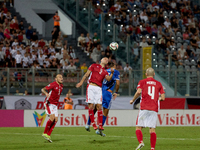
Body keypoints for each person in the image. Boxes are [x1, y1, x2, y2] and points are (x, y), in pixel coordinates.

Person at [130, 68, 165, 150]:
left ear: (146, 74)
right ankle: (152, 148)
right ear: (154, 74)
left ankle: (141, 142)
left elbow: (138, 92)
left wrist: (132, 100)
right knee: (152, 129)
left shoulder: (142, 82)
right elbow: (163, 98)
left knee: (138, 127)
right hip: (154, 108)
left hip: (144, 107)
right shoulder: (159, 84)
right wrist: (157, 99)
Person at [76, 57, 114, 133]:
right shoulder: (93, 65)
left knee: (99, 106)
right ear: (101, 60)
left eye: (107, 59)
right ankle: (93, 124)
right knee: (91, 106)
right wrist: (81, 82)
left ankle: (100, 125)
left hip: (99, 88)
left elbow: (108, 79)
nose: (106, 60)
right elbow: (87, 74)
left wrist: (112, 73)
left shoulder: (105, 71)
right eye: (105, 58)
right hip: (91, 87)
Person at [86, 62, 120, 136]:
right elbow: (117, 83)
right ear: (114, 66)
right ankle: (99, 129)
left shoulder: (104, 71)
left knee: (95, 108)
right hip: (107, 93)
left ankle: (88, 124)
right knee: (105, 112)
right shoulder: (115, 72)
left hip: (100, 90)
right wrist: (116, 92)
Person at [41, 74, 63, 143]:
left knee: (56, 119)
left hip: (55, 105)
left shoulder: (61, 86)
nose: (61, 78)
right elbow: (43, 89)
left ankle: (48, 135)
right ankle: (44, 133)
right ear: (56, 79)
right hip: (49, 103)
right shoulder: (53, 84)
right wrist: (46, 93)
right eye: (60, 77)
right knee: (52, 118)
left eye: (62, 77)